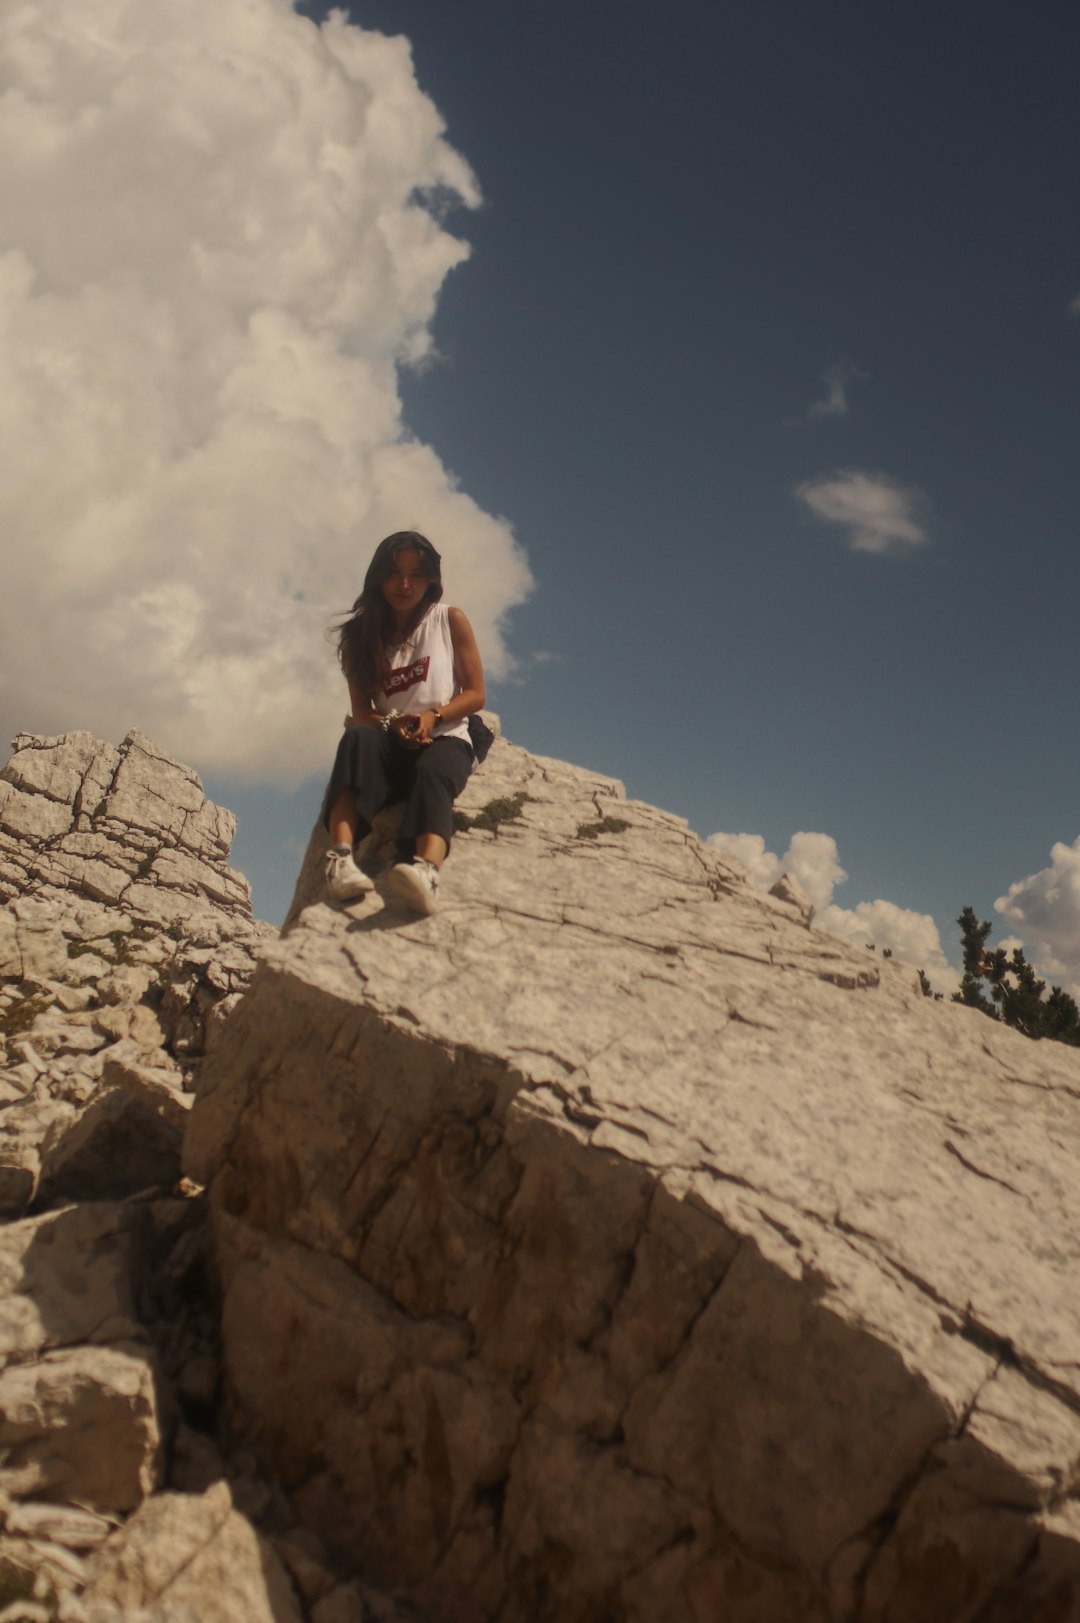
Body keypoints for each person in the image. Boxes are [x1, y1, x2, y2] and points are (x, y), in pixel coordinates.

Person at [321, 530, 486, 915]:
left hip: (444, 734)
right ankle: (341, 859)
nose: (405, 584)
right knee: (357, 739)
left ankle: (426, 870)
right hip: (389, 738)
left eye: (417, 574)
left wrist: (433, 716)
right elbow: (363, 711)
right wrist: (392, 725)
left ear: (431, 580)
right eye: (395, 573)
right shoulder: (361, 636)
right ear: (379, 577)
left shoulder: (449, 620)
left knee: (434, 772)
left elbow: (476, 693)